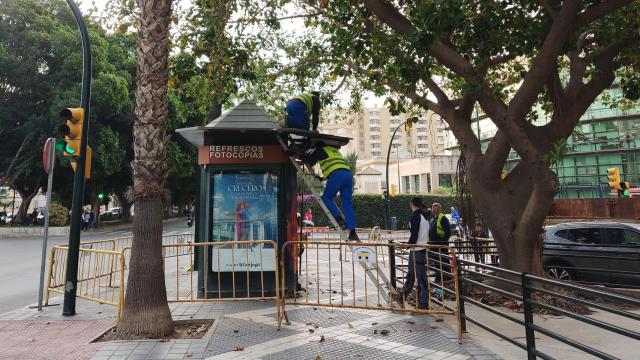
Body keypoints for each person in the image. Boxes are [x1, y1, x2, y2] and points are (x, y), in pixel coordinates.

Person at [299, 143, 358, 241]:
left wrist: (297, 155)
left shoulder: (320, 149)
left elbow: (308, 159)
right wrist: (322, 178)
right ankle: (352, 231)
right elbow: (335, 165)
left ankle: (339, 220)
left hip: (337, 175)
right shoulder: (335, 151)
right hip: (348, 175)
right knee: (347, 203)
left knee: (326, 198)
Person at [394, 197, 429, 309]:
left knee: (420, 277)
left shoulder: (415, 217)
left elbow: (414, 234)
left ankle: (423, 303)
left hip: (417, 249)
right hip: (420, 249)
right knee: (412, 275)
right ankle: (403, 295)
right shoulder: (424, 217)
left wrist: (408, 245)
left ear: (412, 204)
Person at [429, 203, 452, 293]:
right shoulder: (433, 219)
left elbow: (448, 232)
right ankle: (439, 277)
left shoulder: (442, 218)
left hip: (441, 246)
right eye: (433, 207)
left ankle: (446, 278)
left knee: (443, 261)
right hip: (434, 245)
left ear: (439, 209)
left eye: (435, 207)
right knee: (437, 262)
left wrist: (443, 242)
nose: (433, 209)